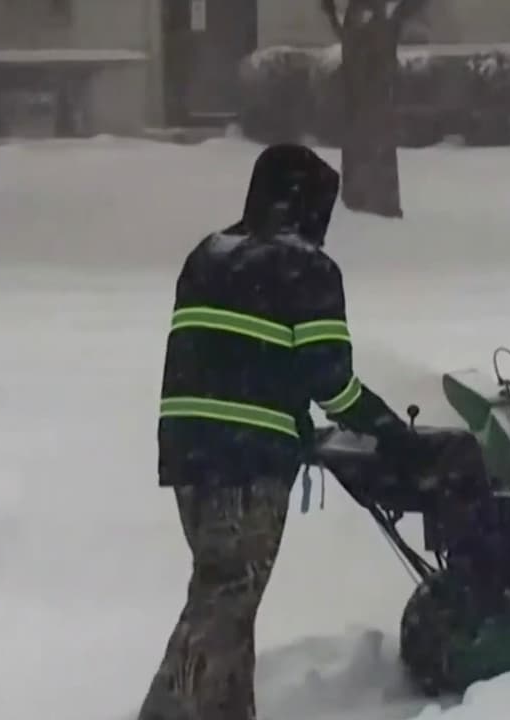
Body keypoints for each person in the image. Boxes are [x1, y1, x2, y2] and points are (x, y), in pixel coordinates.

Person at [139, 144, 415, 720]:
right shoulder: (305, 268)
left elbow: (230, 357)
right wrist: (393, 434)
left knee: (228, 600)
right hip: (248, 464)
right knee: (224, 602)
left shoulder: (208, 256)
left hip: (189, 458)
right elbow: (331, 382)